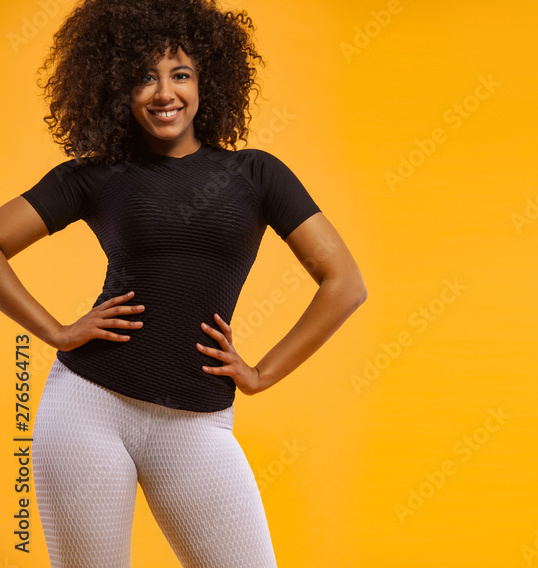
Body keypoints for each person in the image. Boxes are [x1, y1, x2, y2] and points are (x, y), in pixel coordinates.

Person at [0, 0, 367, 566]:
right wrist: (55, 331)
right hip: (87, 410)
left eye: (180, 74)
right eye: (144, 76)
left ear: (206, 83)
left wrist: (262, 372)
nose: (164, 92)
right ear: (117, 86)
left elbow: (343, 282)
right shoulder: (96, 175)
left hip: (197, 422)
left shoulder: (257, 174)